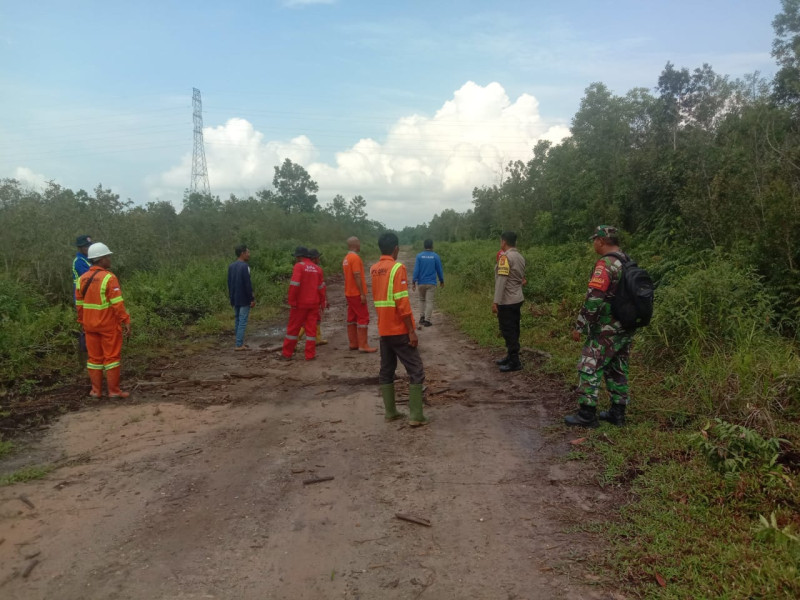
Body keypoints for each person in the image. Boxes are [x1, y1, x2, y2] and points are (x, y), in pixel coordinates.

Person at [565, 225, 635, 428]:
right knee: (618, 368)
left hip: (606, 328)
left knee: (589, 365)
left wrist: (581, 326)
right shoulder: (627, 261)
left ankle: (587, 414)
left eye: (595, 239)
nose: (594, 243)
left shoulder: (605, 265)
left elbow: (594, 299)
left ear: (602, 241)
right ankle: (617, 413)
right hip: (626, 326)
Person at [370, 232, 427, 426]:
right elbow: (402, 302)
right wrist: (411, 330)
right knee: (416, 370)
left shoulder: (374, 269)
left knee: (386, 370)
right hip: (399, 329)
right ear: (395, 248)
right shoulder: (397, 268)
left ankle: (391, 412)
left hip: (384, 330)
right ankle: (416, 416)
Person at [75, 242, 132, 398]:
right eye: (108, 256)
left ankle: (96, 391)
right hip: (107, 326)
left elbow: (79, 305)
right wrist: (126, 320)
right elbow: (117, 304)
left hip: (89, 326)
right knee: (112, 358)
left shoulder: (82, 279)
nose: (110, 259)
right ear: (101, 259)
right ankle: (113, 391)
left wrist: (82, 322)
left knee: (94, 359)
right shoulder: (109, 278)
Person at [281, 247, 325, 361]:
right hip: (314, 304)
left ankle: (287, 354)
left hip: (300, 304)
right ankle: (310, 355)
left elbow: (294, 285)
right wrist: (322, 302)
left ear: (298, 256)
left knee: (293, 329)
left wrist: (292, 301)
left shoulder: (299, 266)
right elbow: (321, 288)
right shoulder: (318, 269)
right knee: (311, 330)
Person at [493, 231, 526, 372]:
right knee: (514, 328)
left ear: (503, 242)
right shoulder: (519, 256)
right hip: (518, 298)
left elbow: (502, 281)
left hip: (507, 300)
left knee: (508, 330)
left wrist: (496, 301)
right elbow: (521, 278)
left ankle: (515, 362)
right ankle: (510, 356)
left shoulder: (505, 258)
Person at [342, 236, 376, 352]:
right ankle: (363, 345)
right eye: (359, 243)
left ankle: (353, 343)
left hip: (349, 293)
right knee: (363, 317)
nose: (360, 245)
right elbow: (357, 275)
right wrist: (362, 294)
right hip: (356, 293)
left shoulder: (346, 258)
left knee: (351, 318)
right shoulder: (355, 258)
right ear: (355, 245)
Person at [411, 239, 444, 328]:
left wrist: (414, 281)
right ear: (432, 246)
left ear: (424, 246)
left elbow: (416, 270)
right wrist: (441, 280)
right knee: (429, 301)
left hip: (421, 282)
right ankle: (427, 320)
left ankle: (422, 317)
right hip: (431, 283)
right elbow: (439, 270)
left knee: (422, 300)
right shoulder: (435, 256)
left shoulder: (419, 256)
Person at [227, 244, 255, 350]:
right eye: (248, 252)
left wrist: (231, 298)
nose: (249, 254)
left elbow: (229, 283)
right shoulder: (245, 267)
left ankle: (239, 342)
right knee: (242, 320)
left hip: (235, 297)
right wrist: (251, 298)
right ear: (242, 253)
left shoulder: (231, 266)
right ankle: (239, 345)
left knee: (238, 320)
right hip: (244, 298)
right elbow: (247, 284)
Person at [72, 235, 93, 365]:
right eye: (86, 246)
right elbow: (90, 277)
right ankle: (86, 357)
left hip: (92, 298)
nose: (88, 248)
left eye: (90, 246)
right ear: (80, 248)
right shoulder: (79, 261)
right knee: (86, 327)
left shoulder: (90, 259)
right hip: (83, 299)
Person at [304, 248, 329, 345]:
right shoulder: (318, 270)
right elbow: (321, 287)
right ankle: (296, 340)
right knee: (309, 321)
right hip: (315, 300)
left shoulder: (303, 268)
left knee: (316, 319)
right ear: (314, 258)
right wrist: (324, 301)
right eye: (318, 257)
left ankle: (318, 339)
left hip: (305, 299)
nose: (319, 259)